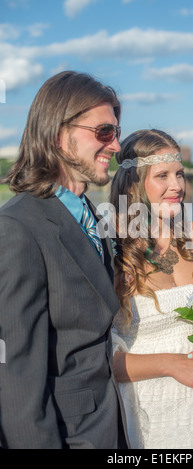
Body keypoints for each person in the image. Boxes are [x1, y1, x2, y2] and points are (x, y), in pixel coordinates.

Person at [0, 71, 129, 449]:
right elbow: (15, 376)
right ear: (58, 135)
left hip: (114, 428)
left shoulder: (89, 214)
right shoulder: (18, 228)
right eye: (104, 132)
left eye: (117, 132)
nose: (116, 145)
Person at [110, 129, 193, 449]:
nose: (177, 186)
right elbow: (98, 361)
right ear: (133, 183)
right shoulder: (112, 253)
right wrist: (171, 363)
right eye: (163, 175)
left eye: (179, 174)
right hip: (151, 415)